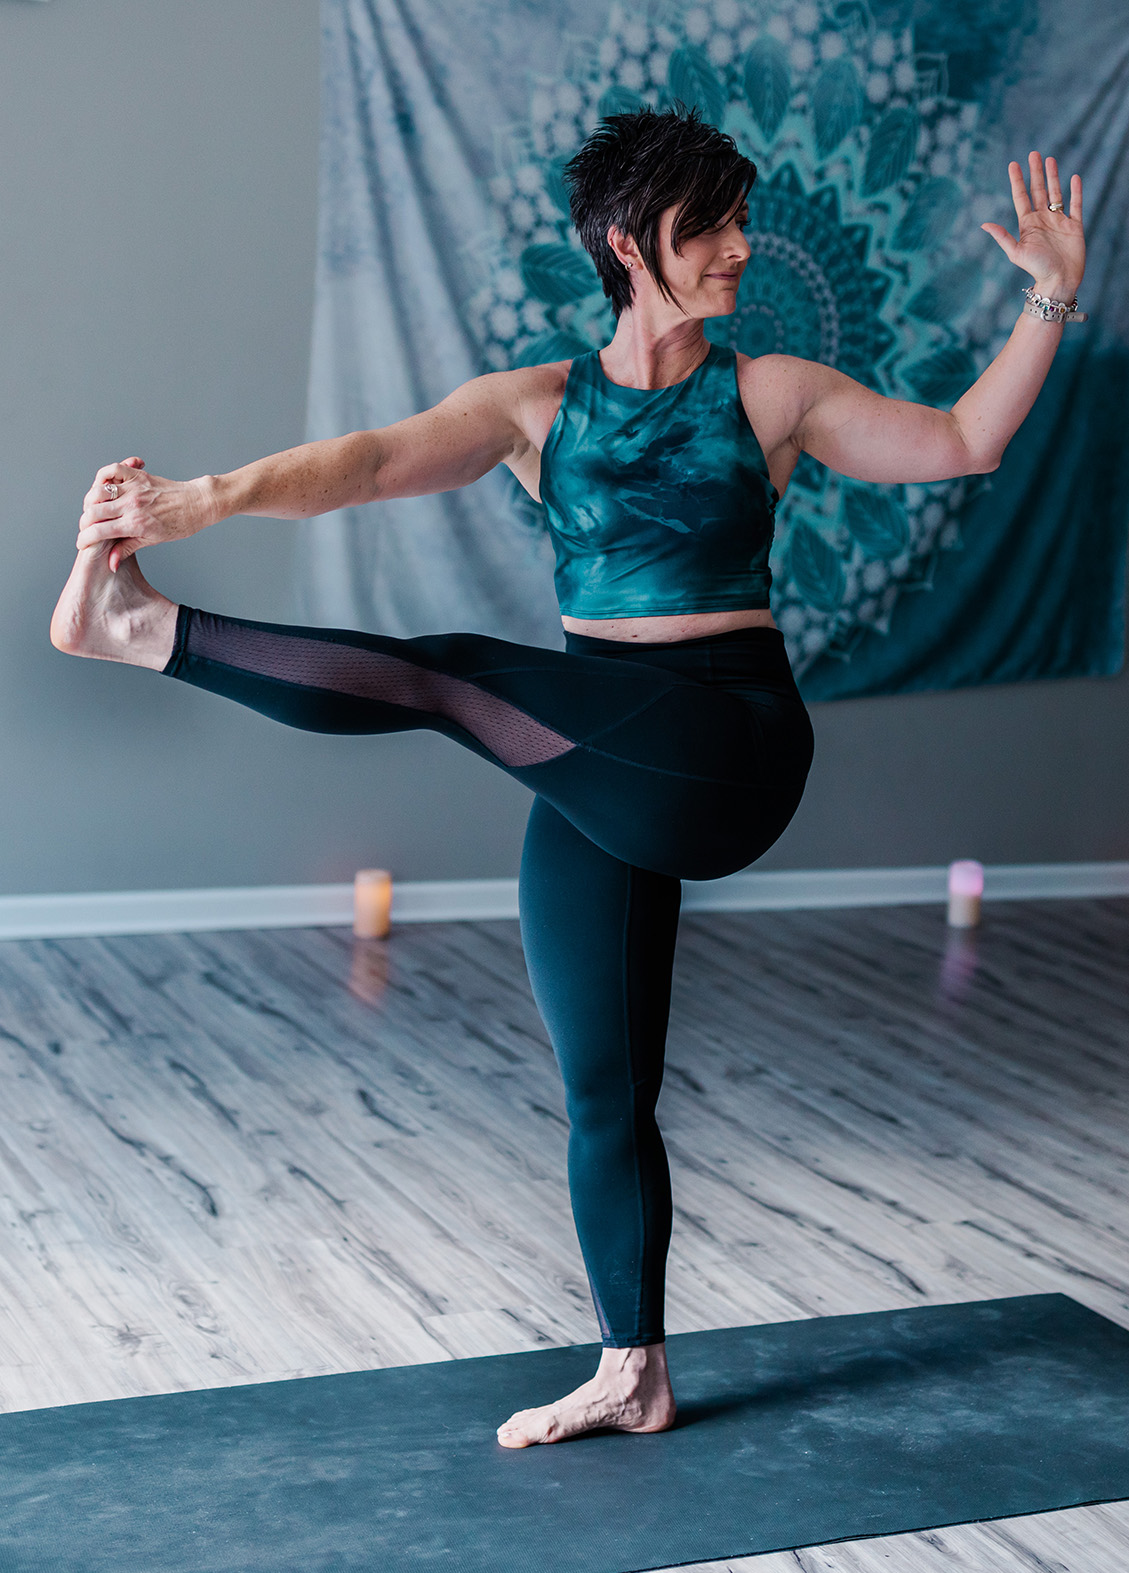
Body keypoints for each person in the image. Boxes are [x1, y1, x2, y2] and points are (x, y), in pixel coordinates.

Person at [51, 109, 1085, 1449]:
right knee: (602, 1087)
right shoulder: (534, 406)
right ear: (626, 241)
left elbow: (960, 442)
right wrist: (210, 495)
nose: (737, 248)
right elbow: (362, 465)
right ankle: (631, 1369)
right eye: (708, 225)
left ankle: (146, 632)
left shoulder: (770, 392)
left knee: (448, 676)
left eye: (735, 220)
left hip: (724, 747)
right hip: (597, 756)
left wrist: (1047, 292)